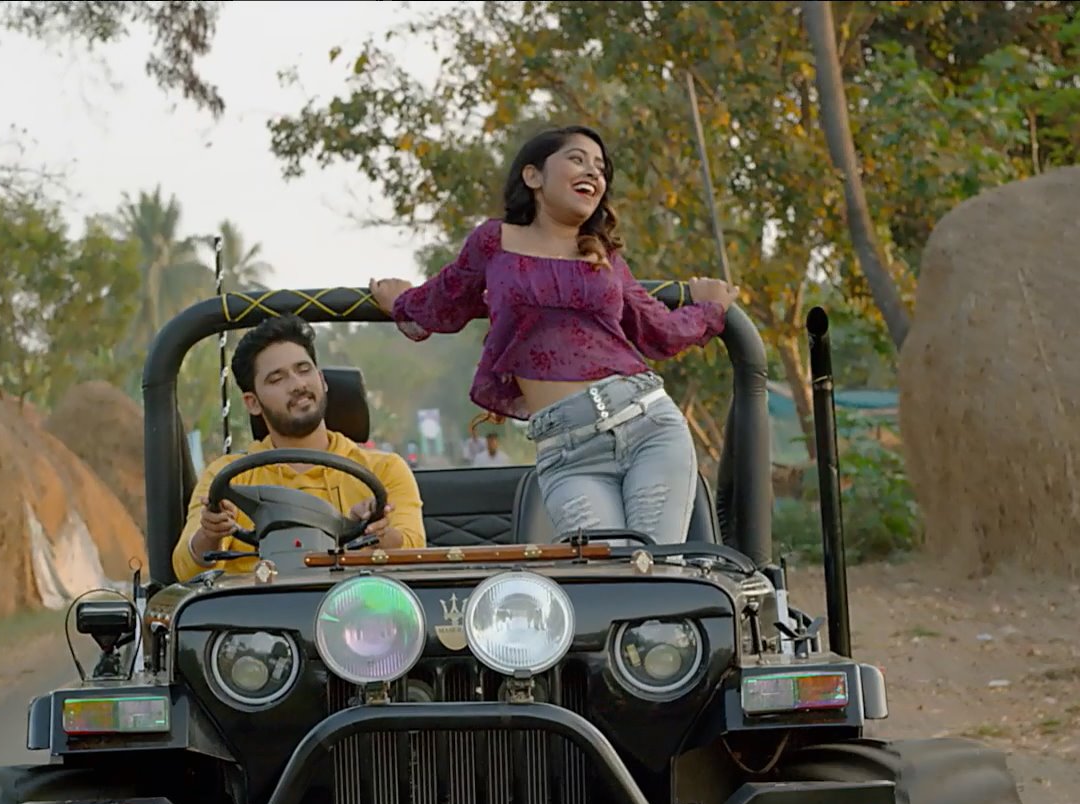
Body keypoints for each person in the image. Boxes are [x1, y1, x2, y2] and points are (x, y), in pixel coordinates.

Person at [368, 125, 739, 545]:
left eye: (600, 168)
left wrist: (709, 307)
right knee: (606, 572)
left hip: (647, 424)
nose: (593, 173)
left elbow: (658, 330)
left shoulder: (602, 254)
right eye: (577, 159)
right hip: (567, 449)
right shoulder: (494, 241)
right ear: (533, 176)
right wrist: (400, 301)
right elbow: (443, 301)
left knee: (654, 569)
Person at [174, 314, 427, 581]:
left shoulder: (384, 470)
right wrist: (210, 534)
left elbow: (416, 554)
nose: (297, 385)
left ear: (322, 380)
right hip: (255, 605)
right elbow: (185, 569)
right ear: (252, 402)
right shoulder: (227, 477)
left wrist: (376, 533)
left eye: (304, 370)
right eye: (277, 379)